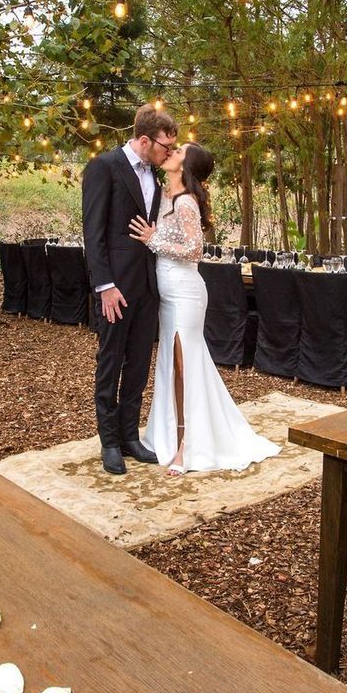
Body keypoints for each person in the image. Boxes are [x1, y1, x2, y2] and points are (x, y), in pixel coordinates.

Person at [128, 143, 280, 476]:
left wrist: (153, 240)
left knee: (185, 366)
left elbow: (195, 250)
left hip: (185, 293)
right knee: (171, 363)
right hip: (166, 293)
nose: (170, 152)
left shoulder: (185, 202)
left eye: (178, 151)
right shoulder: (166, 195)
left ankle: (188, 445)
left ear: (187, 167)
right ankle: (167, 433)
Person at [82, 104, 178, 475]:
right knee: (110, 362)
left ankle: (129, 436)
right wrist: (104, 286)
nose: (169, 153)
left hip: (147, 287)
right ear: (143, 139)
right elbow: (94, 234)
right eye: (165, 147)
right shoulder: (104, 167)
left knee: (139, 363)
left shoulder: (154, 177)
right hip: (114, 290)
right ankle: (108, 442)